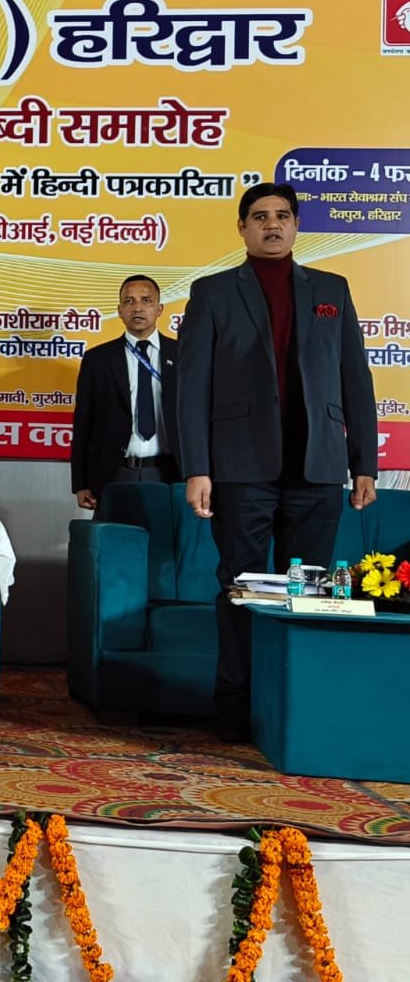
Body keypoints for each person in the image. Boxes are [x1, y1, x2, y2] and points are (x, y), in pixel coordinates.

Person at [176, 182, 377, 742]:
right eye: (260, 216)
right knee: (240, 587)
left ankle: (296, 706)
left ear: (296, 224)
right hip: (240, 468)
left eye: (283, 215)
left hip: (318, 467)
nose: (273, 224)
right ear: (242, 228)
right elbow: (191, 387)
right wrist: (197, 468)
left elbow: (355, 378)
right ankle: (236, 710)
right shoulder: (213, 292)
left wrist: (364, 462)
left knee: (309, 593)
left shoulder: (332, 288)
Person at [70, 274, 179, 510]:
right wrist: (81, 482)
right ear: (119, 310)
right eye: (129, 301)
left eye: (146, 301)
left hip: (170, 473)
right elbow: (83, 423)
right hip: (114, 473)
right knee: (116, 534)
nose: (137, 308)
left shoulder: (183, 355)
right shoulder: (98, 359)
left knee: (165, 534)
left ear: (159, 309)